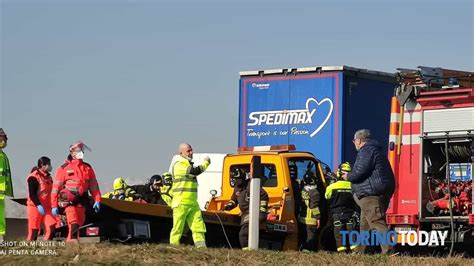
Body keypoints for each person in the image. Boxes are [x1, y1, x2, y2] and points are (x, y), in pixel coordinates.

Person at [345, 129, 395, 254]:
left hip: (370, 194)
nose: (354, 143)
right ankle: (361, 252)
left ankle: (389, 251)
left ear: (359, 140)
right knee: (365, 225)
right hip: (376, 191)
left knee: (377, 222)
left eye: (354, 140)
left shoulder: (366, 150)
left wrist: (348, 176)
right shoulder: (376, 150)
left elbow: (359, 171)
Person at [51, 141, 102, 242]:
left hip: (82, 201)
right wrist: (54, 206)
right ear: (72, 152)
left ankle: (71, 246)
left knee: (78, 223)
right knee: (73, 222)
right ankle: (73, 243)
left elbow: (94, 186)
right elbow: (55, 189)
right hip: (69, 201)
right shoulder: (63, 168)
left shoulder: (88, 168)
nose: (81, 153)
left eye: (82, 151)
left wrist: (97, 200)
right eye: (79, 150)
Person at [169, 143, 210, 248]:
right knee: (178, 228)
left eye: (191, 150)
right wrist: (206, 163)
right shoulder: (179, 164)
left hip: (192, 203)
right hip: (181, 202)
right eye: (188, 151)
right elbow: (194, 171)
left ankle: (201, 248)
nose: (191, 152)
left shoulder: (186, 163)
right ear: (181, 153)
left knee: (198, 227)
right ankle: (174, 247)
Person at [223, 168, 268, 250]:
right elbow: (234, 200)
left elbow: (264, 195)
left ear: (241, 178)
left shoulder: (251, 185)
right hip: (245, 214)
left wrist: (261, 211)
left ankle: (248, 252)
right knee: (244, 233)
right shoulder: (237, 188)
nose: (234, 181)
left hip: (253, 212)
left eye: (236, 179)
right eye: (233, 179)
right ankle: (248, 250)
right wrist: (229, 206)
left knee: (243, 234)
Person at [325, 162, 358, 253]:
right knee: (351, 231)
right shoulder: (352, 186)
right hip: (349, 213)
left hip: (337, 214)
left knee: (339, 233)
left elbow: (327, 197)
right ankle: (355, 250)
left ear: (339, 173)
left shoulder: (331, 187)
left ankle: (342, 251)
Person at [27, 157, 56, 241]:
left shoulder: (49, 178)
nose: (50, 166)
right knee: (34, 230)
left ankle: (46, 246)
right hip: (35, 206)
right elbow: (32, 194)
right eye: (48, 164)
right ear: (42, 165)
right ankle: (30, 248)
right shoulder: (33, 177)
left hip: (47, 207)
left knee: (52, 226)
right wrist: (38, 205)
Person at [296, 171, 321, 252]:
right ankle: (307, 252)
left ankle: (301, 250)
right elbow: (314, 207)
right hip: (311, 220)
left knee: (303, 236)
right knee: (310, 238)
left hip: (302, 219)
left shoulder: (302, 190)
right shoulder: (315, 193)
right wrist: (318, 218)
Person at [0, 128, 13, 240]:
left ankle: (1, 237)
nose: (3, 141)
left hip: (1, 191)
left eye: (4, 139)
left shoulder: (3, 156)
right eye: (1, 139)